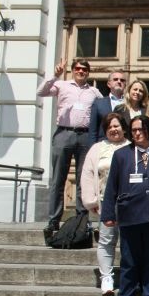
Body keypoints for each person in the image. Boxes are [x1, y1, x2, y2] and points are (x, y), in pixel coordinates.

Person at [101, 115, 149, 296]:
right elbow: (112, 185)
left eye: (141, 129)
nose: (137, 133)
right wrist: (108, 214)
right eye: (134, 130)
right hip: (130, 215)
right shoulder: (122, 155)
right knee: (129, 261)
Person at [37, 58, 103, 234]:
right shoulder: (62, 85)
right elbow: (41, 92)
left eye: (84, 69)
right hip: (64, 133)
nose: (81, 71)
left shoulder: (94, 92)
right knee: (59, 178)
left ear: (88, 72)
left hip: (85, 136)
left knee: (84, 179)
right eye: (78, 69)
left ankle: (82, 219)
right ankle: (54, 220)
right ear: (73, 70)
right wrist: (54, 75)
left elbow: (104, 110)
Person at [80, 113, 130, 295]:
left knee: (128, 241)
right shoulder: (97, 149)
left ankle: (128, 277)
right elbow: (87, 175)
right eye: (110, 127)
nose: (113, 129)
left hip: (129, 204)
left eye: (117, 126)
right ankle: (106, 277)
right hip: (105, 201)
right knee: (106, 239)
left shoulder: (131, 147)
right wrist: (90, 200)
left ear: (124, 128)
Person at [88, 69, 126, 144]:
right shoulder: (98, 103)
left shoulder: (129, 104)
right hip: (103, 145)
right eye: (115, 79)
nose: (119, 81)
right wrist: (92, 149)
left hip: (124, 145)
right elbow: (93, 131)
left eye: (122, 80)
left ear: (125, 84)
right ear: (109, 84)